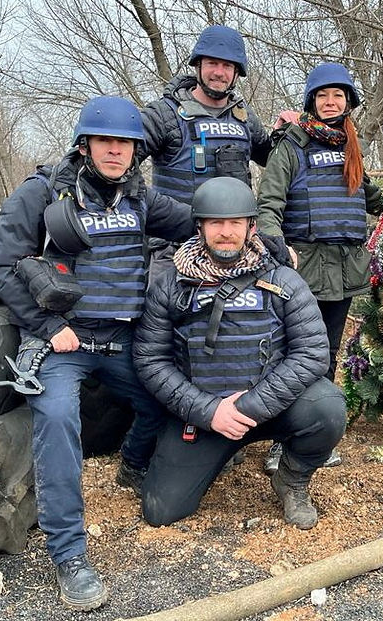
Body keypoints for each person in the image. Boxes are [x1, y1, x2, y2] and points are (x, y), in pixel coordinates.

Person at [0, 96, 194, 611]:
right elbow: (1, 268)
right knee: (58, 424)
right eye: (105, 141)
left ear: (136, 150)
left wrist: (260, 233)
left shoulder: (140, 199)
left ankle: (134, 464)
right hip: (62, 343)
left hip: (124, 340)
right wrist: (49, 325)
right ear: (85, 144)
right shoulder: (42, 193)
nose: (115, 151)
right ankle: (69, 555)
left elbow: (200, 220)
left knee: (169, 399)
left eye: (125, 143)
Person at [133, 177, 346, 530]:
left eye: (236, 223)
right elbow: (150, 361)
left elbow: (312, 353)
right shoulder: (170, 285)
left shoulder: (283, 280)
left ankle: (291, 480)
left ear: (251, 227)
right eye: (216, 222)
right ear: (200, 226)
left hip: (269, 408)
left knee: (328, 407)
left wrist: (246, 408)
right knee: (161, 511)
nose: (226, 232)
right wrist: (211, 412)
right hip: (204, 414)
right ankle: (221, 453)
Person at [256, 62, 383, 473]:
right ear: (312, 100)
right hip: (301, 270)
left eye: (338, 96)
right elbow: (269, 205)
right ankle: (280, 440)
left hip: (344, 270)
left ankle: (314, 436)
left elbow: (370, 197)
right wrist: (277, 247)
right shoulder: (291, 146)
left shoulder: (352, 147)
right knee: (290, 354)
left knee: (326, 352)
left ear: (348, 103)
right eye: (323, 95)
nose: (331, 102)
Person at [139, 25, 273, 272]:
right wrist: (155, 208)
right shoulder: (164, 114)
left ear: (236, 73)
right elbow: (118, 162)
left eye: (228, 66)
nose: (219, 73)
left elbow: (274, 161)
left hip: (232, 249)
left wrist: (293, 131)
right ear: (198, 65)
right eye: (212, 63)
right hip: (174, 249)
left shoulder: (245, 118)